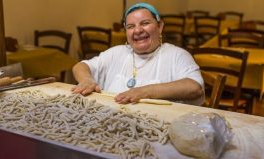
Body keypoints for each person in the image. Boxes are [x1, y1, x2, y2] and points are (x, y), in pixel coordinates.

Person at [72, 2, 204, 105]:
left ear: (160, 26)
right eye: (130, 26)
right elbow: (81, 66)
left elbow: (194, 87)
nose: (138, 30)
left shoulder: (177, 55)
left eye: (145, 23)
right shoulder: (117, 53)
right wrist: (86, 80)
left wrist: (145, 91)